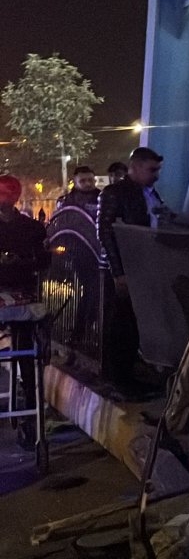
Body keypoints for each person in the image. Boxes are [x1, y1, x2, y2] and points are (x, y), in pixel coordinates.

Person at [98, 147, 163, 386]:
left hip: (142, 264)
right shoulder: (114, 193)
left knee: (134, 322)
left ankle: (128, 373)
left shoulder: (149, 193)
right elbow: (105, 232)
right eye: (152, 170)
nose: (156, 175)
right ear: (135, 168)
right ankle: (119, 378)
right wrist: (118, 272)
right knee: (120, 324)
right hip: (126, 267)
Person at [0, 175, 51, 449]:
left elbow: (43, 261)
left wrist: (23, 260)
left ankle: (31, 411)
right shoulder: (29, 227)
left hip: (22, 296)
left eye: (7, 194)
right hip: (13, 296)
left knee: (25, 352)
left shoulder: (32, 228)